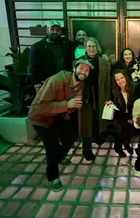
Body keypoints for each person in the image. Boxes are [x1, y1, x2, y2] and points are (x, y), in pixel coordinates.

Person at [28, 58, 93, 192]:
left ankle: (58, 158)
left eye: (87, 71)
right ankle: (52, 176)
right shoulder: (56, 80)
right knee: (51, 146)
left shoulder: (80, 85)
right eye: (81, 68)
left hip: (58, 114)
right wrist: (67, 105)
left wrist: (73, 107)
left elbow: (71, 107)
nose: (84, 72)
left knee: (69, 138)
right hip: (40, 118)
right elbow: (41, 106)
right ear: (74, 68)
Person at [78, 37, 111, 161]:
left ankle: (97, 136)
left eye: (94, 46)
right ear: (85, 48)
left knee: (99, 118)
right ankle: (86, 149)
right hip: (85, 96)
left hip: (100, 94)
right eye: (89, 46)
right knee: (86, 122)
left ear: (98, 48)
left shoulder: (104, 62)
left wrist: (107, 98)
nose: (92, 49)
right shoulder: (78, 62)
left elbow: (108, 82)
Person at [29, 20, 75, 88]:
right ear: (47, 30)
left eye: (57, 30)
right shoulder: (37, 47)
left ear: (61, 32)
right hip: (46, 83)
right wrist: (37, 85)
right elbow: (33, 68)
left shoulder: (66, 43)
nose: (55, 32)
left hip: (65, 81)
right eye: (52, 29)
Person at [106, 69, 138, 157]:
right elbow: (114, 109)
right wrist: (108, 103)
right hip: (119, 116)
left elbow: (137, 105)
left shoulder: (133, 88)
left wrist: (132, 118)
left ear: (126, 77)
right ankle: (118, 146)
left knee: (131, 128)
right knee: (122, 128)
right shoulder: (113, 91)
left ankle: (127, 143)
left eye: (122, 78)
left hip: (131, 114)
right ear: (115, 81)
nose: (120, 81)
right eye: (117, 79)